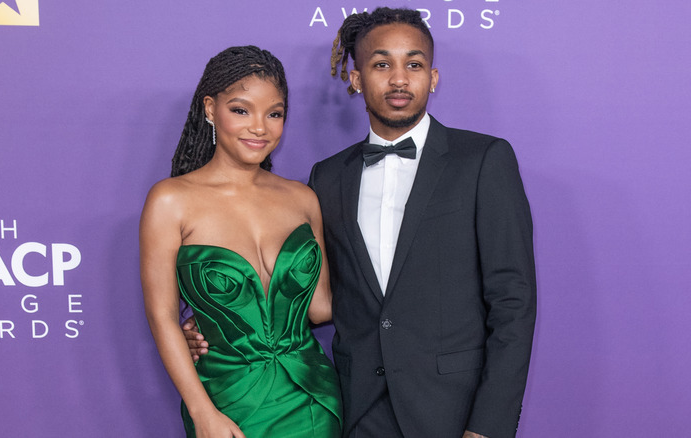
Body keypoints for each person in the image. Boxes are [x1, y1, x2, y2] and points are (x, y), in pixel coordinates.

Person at [187, 7, 536, 437]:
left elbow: (513, 303)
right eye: (381, 64)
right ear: (356, 79)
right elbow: (316, 297)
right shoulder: (327, 177)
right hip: (355, 408)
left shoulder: (483, 160)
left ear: (433, 77)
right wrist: (216, 320)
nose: (399, 78)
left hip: (453, 409)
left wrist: (488, 426)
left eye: (414, 64)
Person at [140, 46, 341, 438]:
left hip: (313, 399)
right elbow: (162, 317)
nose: (260, 127)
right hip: (226, 404)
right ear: (211, 109)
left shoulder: (302, 199)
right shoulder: (169, 201)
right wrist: (203, 414)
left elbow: (320, 309)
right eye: (241, 110)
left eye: (275, 113)